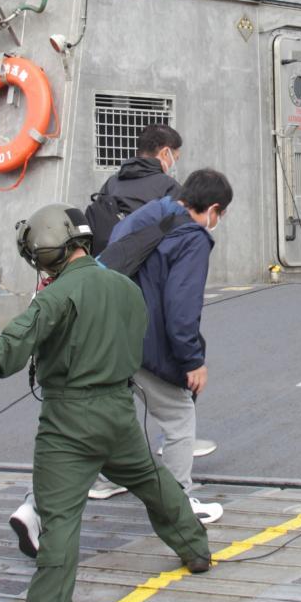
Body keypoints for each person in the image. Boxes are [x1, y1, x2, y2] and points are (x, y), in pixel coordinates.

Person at [0, 206, 213, 602]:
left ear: (48, 251)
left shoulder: (55, 296)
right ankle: (195, 547)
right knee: (151, 480)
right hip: (119, 408)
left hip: (68, 417)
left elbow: (15, 342)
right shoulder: (124, 287)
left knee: (60, 515)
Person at [105, 168, 233, 524]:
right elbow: (181, 307)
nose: (216, 221)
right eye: (219, 215)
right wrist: (192, 360)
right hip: (142, 341)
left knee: (104, 418)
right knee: (178, 416)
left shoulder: (150, 214)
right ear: (214, 209)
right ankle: (178, 502)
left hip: (105, 332)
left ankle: (41, 504)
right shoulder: (192, 239)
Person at [85, 123, 182, 255]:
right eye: (175, 158)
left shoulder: (112, 182)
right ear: (165, 153)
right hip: (144, 271)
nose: (173, 163)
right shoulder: (170, 187)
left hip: (105, 265)